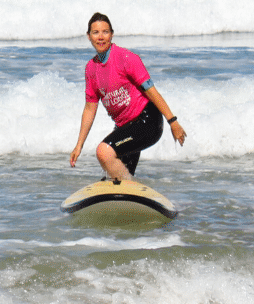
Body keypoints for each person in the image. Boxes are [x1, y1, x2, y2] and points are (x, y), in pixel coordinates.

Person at [70, 12, 186, 181]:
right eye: (95, 32)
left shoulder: (126, 58)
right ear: (88, 36)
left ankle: (131, 189)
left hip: (148, 121)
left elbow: (151, 92)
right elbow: (90, 108)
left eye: (105, 32)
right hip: (125, 127)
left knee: (104, 152)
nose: (101, 37)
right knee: (114, 178)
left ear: (112, 34)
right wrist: (78, 146)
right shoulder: (91, 69)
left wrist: (172, 122)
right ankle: (128, 195)